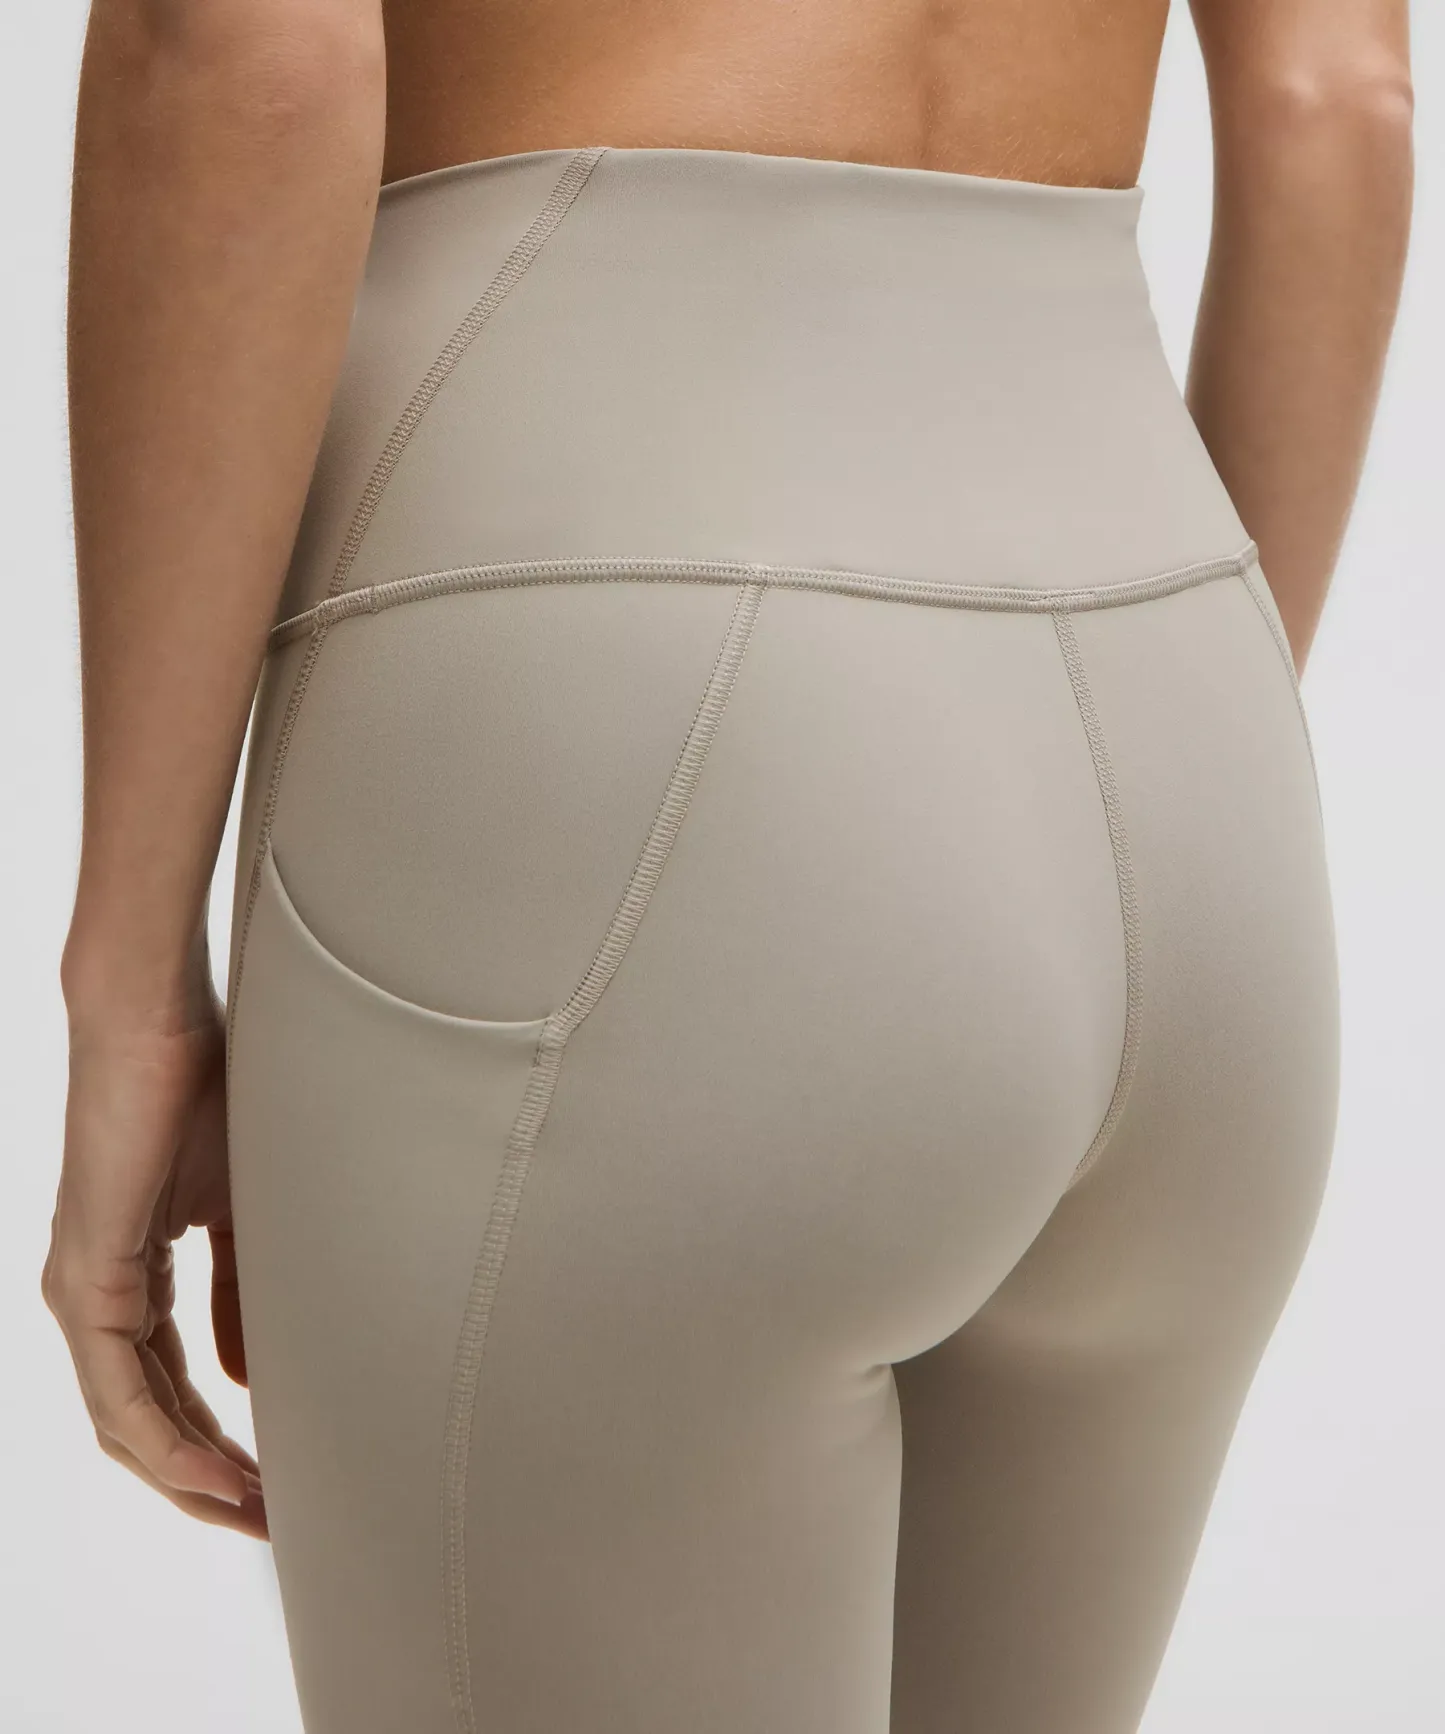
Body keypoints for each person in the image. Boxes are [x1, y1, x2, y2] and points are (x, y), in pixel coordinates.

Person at [43, 1, 1413, 1730]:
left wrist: (132, 989)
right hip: (1185, 714)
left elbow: (243, 54)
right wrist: (1143, 769)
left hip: (619, 674)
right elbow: (1337, 99)